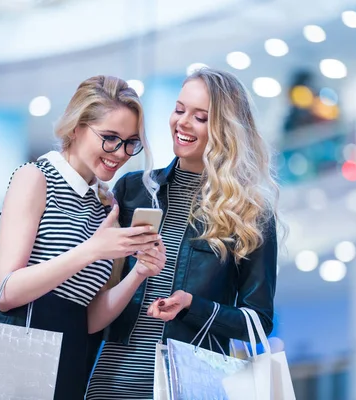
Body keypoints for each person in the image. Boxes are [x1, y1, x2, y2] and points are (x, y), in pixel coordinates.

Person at [87, 68, 280, 399]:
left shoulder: (250, 214)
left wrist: (193, 306)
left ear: (225, 130)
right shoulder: (132, 191)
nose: (183, 123)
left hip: (186, 385)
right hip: (112, 380)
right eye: (179, 110)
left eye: (200, 117)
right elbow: (96, 285)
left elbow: (258, 322)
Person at [0, 76, 166, 400]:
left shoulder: (105, 206)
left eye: (130, 142)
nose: (120, 153)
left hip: (70, 355)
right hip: (16, 352)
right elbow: (5, 291)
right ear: (77, 127)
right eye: (110, 138)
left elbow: (89, 318)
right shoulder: (35, 177)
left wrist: (138, 273)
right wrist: (91, 250)